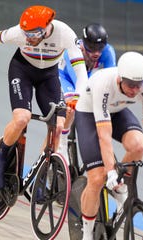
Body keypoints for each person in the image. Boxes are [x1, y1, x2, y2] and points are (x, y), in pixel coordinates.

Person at [0, 5, 89, 189]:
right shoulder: (18, 33)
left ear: (47, 27)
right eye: (26, 34)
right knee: (22, 118)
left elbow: (81, 72)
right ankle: (0, 159)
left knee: (58, 126)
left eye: (34, 34)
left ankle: (39, 176)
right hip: (22, 71)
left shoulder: (64, 33)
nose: (29, 38)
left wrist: (77, 97)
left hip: (49, 76)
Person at [74, 51, 143, 240]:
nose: (135, 90)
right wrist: (110, 170)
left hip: (117, 109)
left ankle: (119, 186)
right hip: (88, 112)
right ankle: (87, 234)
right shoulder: (104, 83)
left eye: (139, 85)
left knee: (138, 145)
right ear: (120, 78)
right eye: (130, 85)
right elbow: (104, 136)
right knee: (97, 178)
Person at [57, 23, 116, 160]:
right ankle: (62, 144)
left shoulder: (108, 52)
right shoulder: (73, 51)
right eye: (92, 48)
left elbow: (111, 78)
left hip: (88, 76)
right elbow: (79, 82)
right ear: (84, 44)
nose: (96, 53)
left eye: (100, 48)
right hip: (66, 77)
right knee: (71, 108)